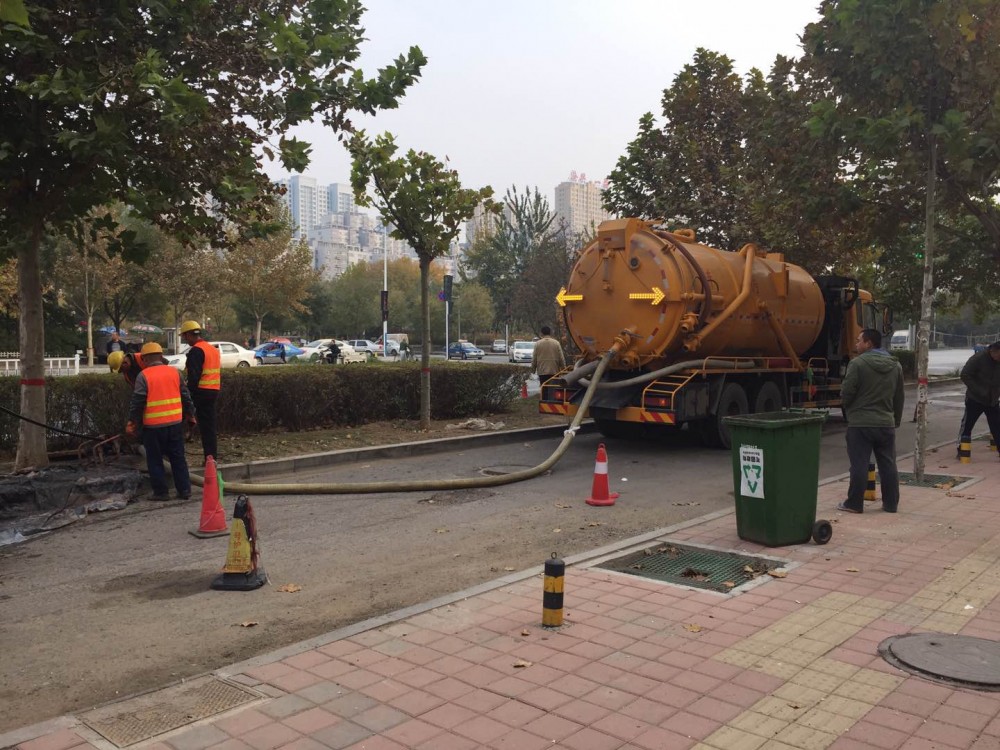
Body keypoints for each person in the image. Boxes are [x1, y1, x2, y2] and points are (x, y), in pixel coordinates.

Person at [838, 328, 905, 514]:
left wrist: (850, 411)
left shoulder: (857, 364)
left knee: (859, 464)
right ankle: (891, 504)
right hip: (885, 423)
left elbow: (847, 392)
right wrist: (895, 420)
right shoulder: (896, 366)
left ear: (868, 343)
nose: (856, 344)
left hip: (860, 424)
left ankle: (854, 504)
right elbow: (899, 397)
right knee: (888, 464)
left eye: (859, 340)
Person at [125, 342, 196, 501]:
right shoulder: (175, 372)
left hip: (153, 427)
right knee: (178, 458)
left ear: (144, 359)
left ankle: (161, 493)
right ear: (161, 356)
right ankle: (184, 490)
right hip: (175, 424)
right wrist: (191, 414)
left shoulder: (143, 376)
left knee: (155, 460)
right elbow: (186, 396)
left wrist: (132, 422)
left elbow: (137, 403)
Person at [178, 320, 221, 462]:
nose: (185, 340)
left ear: (188, 335)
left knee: (179, 421)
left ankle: (175, 454)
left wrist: (187, 395)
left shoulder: (196, 351)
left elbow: (194, 377)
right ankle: (211, 458)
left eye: (184, 337)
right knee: (209, 427)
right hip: (213, 391)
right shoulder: (212, 349)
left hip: (200, 392)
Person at [957, 341, 1000, 459]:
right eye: (999, 356)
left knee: (997, 426)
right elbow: (965, 375)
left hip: (993, 400)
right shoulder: (978, 358)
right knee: (967, 425)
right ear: (993, 351)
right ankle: (962, 450)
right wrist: (980, 391)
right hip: (975, 399)